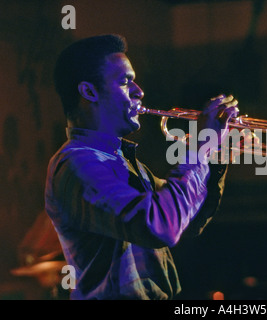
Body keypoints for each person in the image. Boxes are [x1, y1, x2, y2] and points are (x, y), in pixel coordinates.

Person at [45, 34, 239, 300]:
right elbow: (160, 226)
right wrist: (200, 148)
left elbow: (187, 221)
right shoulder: (77, 163)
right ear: (89, 92)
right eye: (125, 82)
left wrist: (214, 152)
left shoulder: (121, 160)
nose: (139, 91)